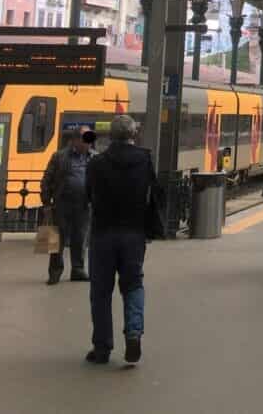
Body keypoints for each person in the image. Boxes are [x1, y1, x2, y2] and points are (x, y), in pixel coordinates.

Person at [85, 115, 158, 366]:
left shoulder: (96, 164)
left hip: (103, 234)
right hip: (134, 234)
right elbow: (153, 195)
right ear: (133, 135)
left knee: (101, 292)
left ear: (110, 136)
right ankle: (134, 333)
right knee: (133, 285)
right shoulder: (144, 160)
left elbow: (88, 195)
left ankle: (102, 347)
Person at [41, 126, 96, 285]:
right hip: (62, 204)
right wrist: (46, 203)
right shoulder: (59, 157)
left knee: (81, 238)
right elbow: (47, 180)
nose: (89, 143)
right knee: (56, 239)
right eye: (86, 139)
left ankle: (78, 269)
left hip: (84, 205)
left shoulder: (93, 157)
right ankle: (55, 272)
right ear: (76, 140)